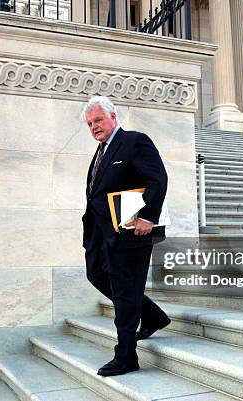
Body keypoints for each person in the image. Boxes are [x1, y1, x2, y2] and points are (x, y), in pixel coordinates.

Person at [81, 96, 171, 377]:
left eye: (98, 120)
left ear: (113, 117)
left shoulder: (134, 141)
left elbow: (158, 179)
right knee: (96, 274)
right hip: (101, 233)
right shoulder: (100, 152)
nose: (94, 127)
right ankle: (153, 315)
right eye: (90, 123)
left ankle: (126, 357)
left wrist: (148, 216)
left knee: (124, 291)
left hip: (131, 232)